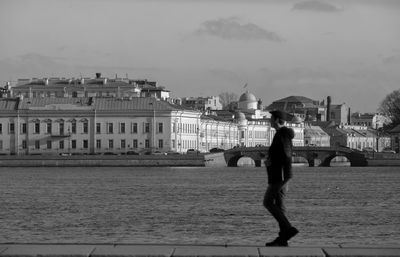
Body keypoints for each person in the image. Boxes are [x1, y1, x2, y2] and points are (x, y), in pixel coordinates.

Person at [263, 110, 298, 247]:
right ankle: (283, 239)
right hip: (283, 175)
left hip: (280, 176)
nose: (270, 120)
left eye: (271, 118)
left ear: (277, 120)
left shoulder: (282, 135)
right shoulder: (282, 135)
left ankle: (288, 229)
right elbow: (283, 154)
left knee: (267, 202)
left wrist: (274, 164)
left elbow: (286, 154)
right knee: (279, 206)